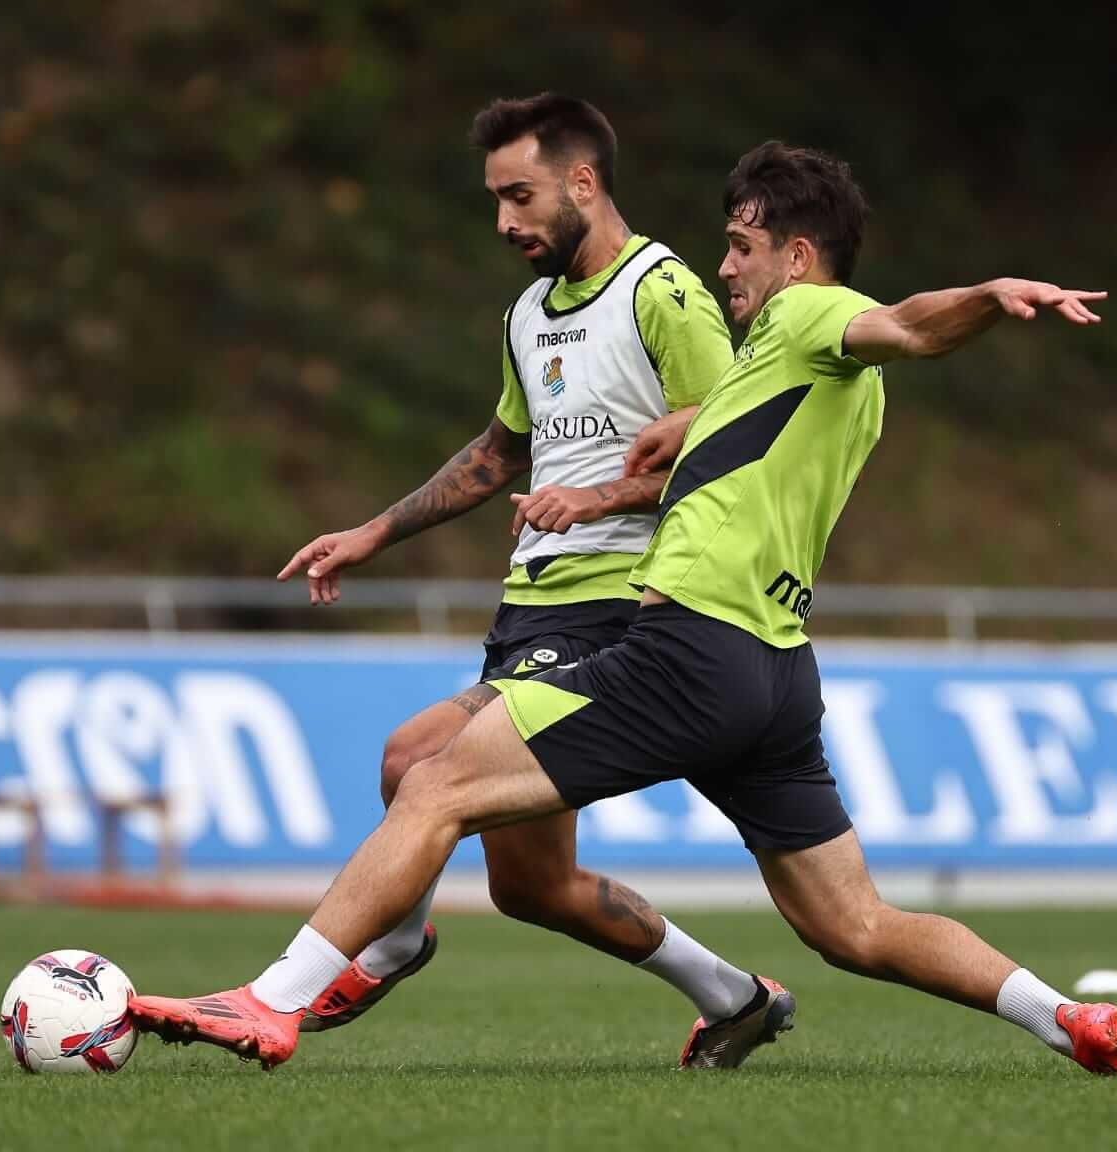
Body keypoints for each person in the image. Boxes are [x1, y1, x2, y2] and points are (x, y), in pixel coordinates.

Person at [142, 141, 1117, 1078]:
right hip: (775, 674)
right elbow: (764, 418)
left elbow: (899, 323)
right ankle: (1063, 1018)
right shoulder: (791, 369)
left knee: (434, 783)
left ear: (798, 256)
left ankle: (271, 1003)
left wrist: (986, 296)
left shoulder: (808, 315)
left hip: (688, 650)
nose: (725, 266)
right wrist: (615, 478)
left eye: (740, 247)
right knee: (852, 924)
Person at [274, 94, 790, 1066]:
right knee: (531, 887)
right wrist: (372, 534)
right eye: (495, 200)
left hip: (616, 608)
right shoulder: (527, 314)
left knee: (413, 760)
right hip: (526, 608)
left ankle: (379, 947)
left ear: (582, 182)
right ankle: (735, 997)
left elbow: (732, 449)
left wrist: (602, 499)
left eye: (519, 196)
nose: (504, 221)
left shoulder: (663, 294)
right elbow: (503, 450)